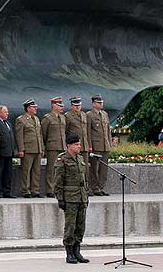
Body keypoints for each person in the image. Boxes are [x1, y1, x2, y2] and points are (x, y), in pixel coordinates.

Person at [55, 134, 90, 264]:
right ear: (69, 145)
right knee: (70, 226)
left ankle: (77, 250)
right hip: (70, 197)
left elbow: (84, 178)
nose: (79, 146)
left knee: (81, 226)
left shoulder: (80, 158)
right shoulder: (62, 159)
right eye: (76, 144)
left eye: (79, 144)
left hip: (81, 196)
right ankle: (69, 253)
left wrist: (86, 194)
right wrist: (60, 198)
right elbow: (58, 180)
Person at [15, 98, 44, 198]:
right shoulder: (21, 120)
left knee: (36, 171)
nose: (36, 109)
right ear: (28, 108)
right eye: (33, 107)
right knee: (26, 171)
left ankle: (35, 190)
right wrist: (21, 149)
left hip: (37, 148)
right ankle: (25, 190)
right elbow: (19, 136)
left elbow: (39, 135)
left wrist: (42, 148)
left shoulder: (36, 119)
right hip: (28, 149)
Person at [87, 94, 112, 196]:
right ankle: (94, 188)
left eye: (101, 102)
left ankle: (101, 187)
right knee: (94, 168)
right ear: (93, 104)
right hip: (95, 145)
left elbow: (108, 131)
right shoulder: (89, 115)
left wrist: (109, 143)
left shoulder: (105, 114)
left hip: (105, 145)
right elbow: (88, 131)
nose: (101, 104)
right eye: (98, 102)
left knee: (103, 168)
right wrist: (89, 145)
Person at [41, 97, 67, 197]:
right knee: (51, 169)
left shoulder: (63, 117)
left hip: (62, 146)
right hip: (52, 147)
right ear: (54, 106)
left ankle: (59, 189)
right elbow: (43, 133)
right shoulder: (47, 118)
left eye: (62, 106)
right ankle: (50, 190)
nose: (61, 107)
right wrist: (44, 147)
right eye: (59, 106)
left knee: (61, 169)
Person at [0, 105, 17, 198]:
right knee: (0, 173)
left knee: (8, 173)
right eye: (5, 112)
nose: (7, 113)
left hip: (9, 152)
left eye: (7, 112)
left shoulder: (7, 123)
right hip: (1, 152)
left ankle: (7, 191)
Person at [65, 96, 91, 166]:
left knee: (85, 167)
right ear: (71, 106)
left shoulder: (84, 115)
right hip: (74, 145)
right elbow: (66, 131)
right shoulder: (68, 116)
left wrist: (88, 145)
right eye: (75, 105)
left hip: (84, 145)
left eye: (79, 105)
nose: (77, 107)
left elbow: (87, 131)